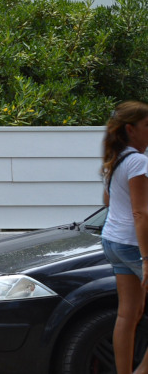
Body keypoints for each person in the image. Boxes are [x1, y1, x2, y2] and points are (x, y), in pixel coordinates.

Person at [102, 100, 148, 374]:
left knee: (127, 314)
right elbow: (141, 213)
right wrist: (146, 258)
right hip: (134, 245)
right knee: (129, 313)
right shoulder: (139, 162)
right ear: (130, 129)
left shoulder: (115, 158)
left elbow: (108, 201)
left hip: (113, 240)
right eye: (147, 126)